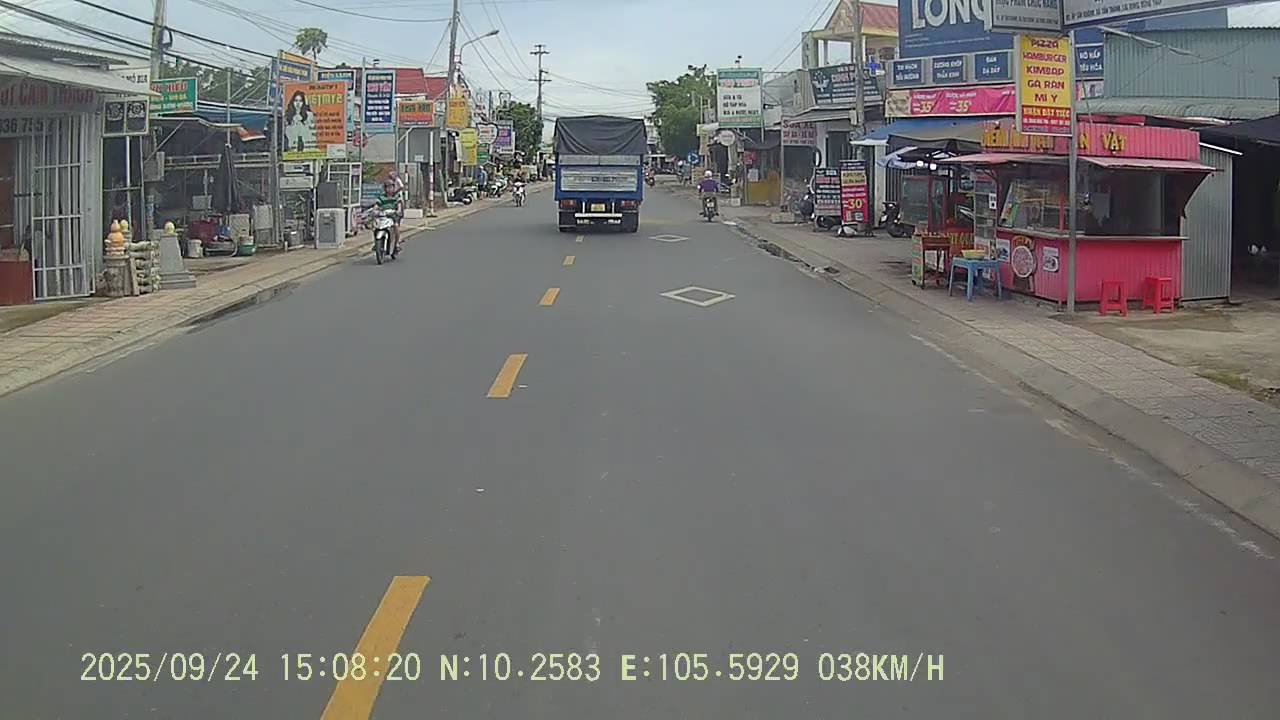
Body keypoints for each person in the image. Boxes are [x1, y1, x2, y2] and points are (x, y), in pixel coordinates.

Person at [375, 174, 405, 254]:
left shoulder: (396, 197)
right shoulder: (382, 197)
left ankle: (397, 244)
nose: (389, 189)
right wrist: (375, 210)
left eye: (391, 187)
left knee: (396, 227)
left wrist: (398, 211)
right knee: (375, 227)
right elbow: (377, 205)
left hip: (393, 216)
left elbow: (399, 205)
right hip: (383, 216)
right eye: (387, 187)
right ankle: (377, 244)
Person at [283, 90, 316, 154]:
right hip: (291, 150)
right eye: (296, 100)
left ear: (303, 102)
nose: (298, 103)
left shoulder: (309, 115)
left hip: (308, 149)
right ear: (292, 102)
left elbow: (312, 134)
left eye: (300, 101)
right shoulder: (288, 116)